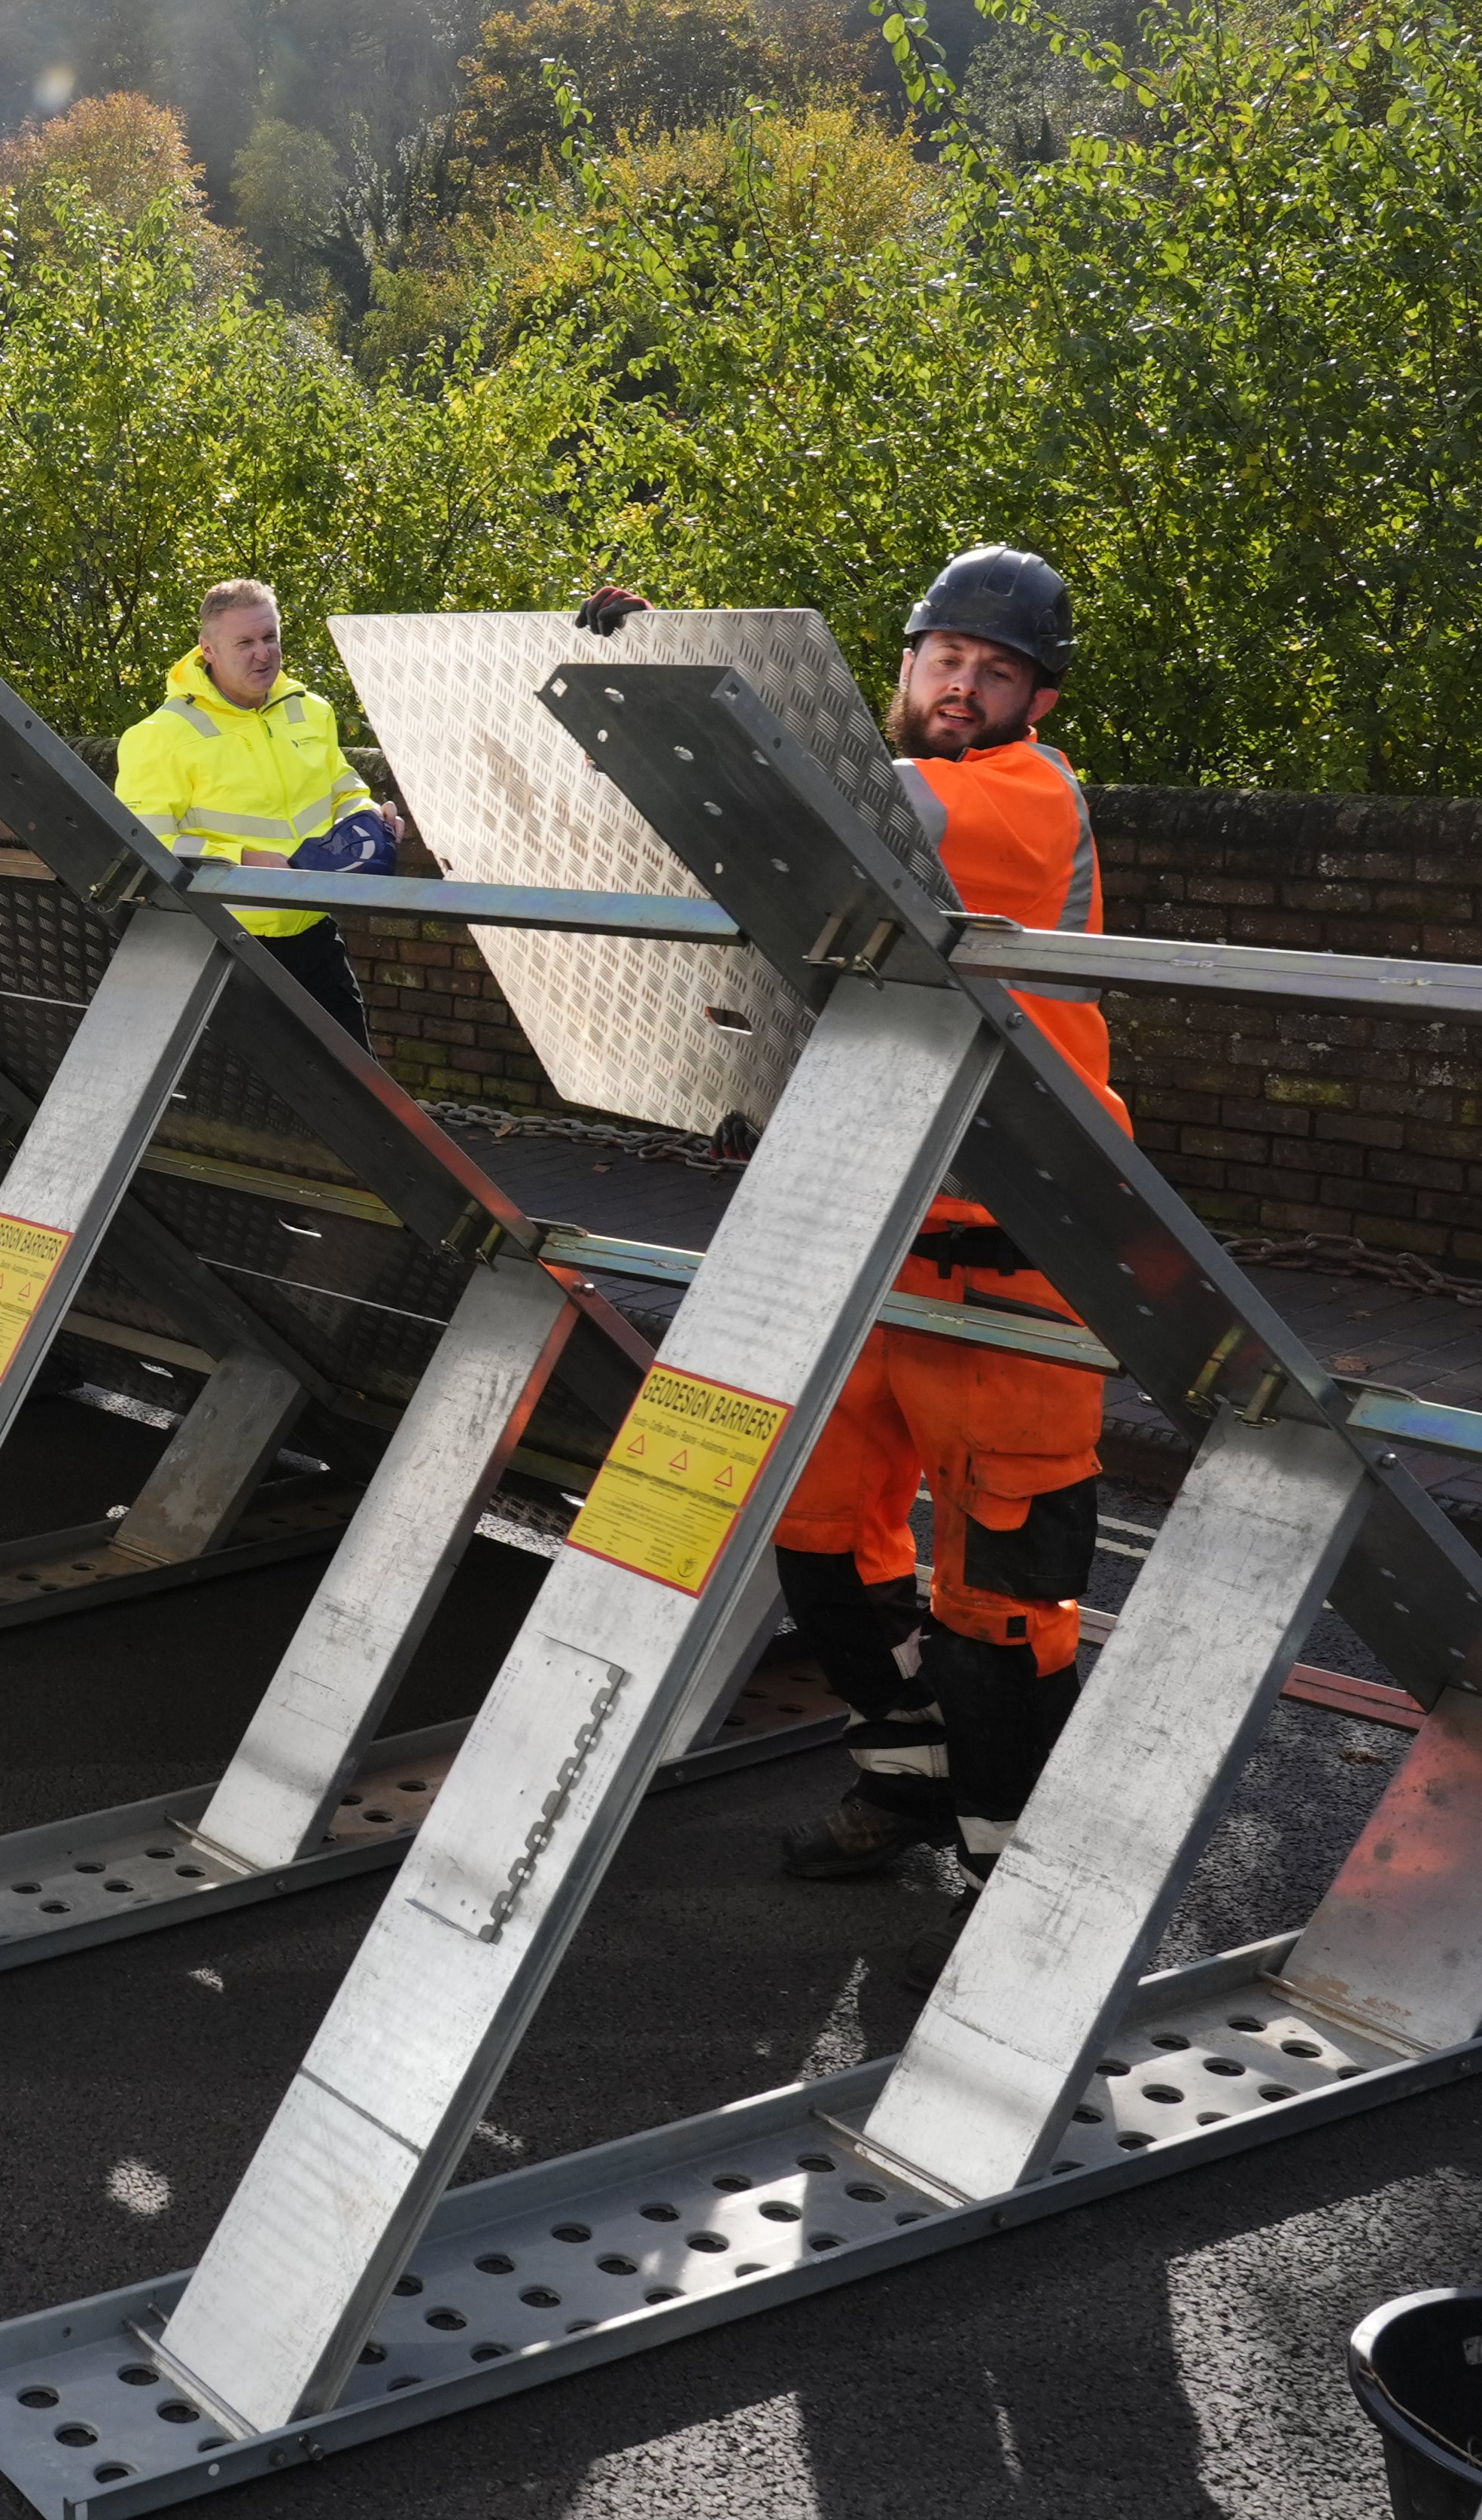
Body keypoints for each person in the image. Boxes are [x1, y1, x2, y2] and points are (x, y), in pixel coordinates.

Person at [587, 549, 1118, 1979]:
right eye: (943, 657)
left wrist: (679, 675)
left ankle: (1011, 1886)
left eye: (995, 671)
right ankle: (904, 1784)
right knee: (818, 1528)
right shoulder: (880, 809)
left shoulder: (1023, 795)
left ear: (1036, 698)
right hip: (868, 1224)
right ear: (907, 667)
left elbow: (823, 810)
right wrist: (663, 671)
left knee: (1004, 1586)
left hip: (1013, 1251)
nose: (962, 685)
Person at [115, 577, 396, 1042]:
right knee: (257, 1105)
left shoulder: (311, 711)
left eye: (270, 638)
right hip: (223, 942)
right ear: (208, 649)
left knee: (360, 1090)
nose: (263, 654)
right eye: (244, 642)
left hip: (312, 928)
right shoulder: (160, 736)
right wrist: (241, 860)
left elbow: (343, 788)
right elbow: (141, 844)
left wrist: (369, 818)